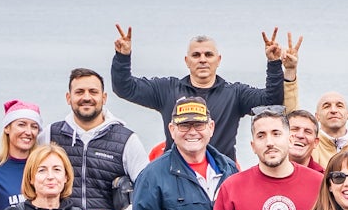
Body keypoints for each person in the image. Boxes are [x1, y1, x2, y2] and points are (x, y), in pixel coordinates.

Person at [111, 23, 290, 163]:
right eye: (196, 55)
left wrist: (274, 64)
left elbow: (271, 101)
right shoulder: (167, 89)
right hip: (176, 175)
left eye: (208, 55)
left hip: (221, 174)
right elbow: (125, 88)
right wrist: (122, 57)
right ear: (187, 61)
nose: (202, 60)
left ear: (218, 60)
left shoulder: (235, 94)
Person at [48, 68, 149, 210]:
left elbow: (149, 191)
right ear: (68, 97)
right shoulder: (50, 135)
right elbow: (18, 157)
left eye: (93, 91)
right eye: (79, 91)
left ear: (103, 98)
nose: (86, 97)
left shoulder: (126, 139)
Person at [310, 91, 348, 168]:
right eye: (326, 106)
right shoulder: (309, 148)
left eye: (339, 106)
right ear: (317, 116)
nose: (333, 110)